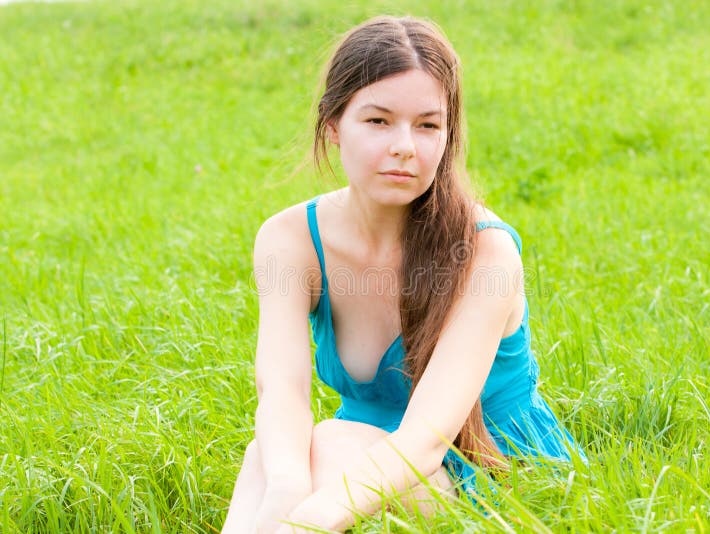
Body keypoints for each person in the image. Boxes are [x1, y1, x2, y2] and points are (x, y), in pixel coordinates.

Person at [221, 15, 583, 534]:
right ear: (332, 126)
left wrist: (304, 522)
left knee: (324, 447)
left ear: (447, 136)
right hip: (361, 454)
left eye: (428, 125)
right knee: (273, 455)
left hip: (493, 472)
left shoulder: (485, 252)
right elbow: (281, 393)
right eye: (378, 121)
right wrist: (285, 491)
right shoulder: (289, 240)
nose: (404, 147)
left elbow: (425, 440)